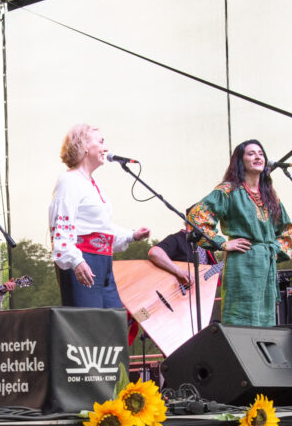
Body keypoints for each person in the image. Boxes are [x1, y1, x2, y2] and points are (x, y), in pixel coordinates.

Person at [187, 139, 292, 326]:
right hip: (242, 262)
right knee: (241, 317)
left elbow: (286, 229)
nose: (258, 157)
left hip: (266, 264)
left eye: (261, 153)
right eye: (251, 153)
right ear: (240, 161)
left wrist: (275, 250)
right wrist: (222, 243)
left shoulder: (269, 196)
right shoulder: (228, 190)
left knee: (266, 321)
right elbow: (197, 217)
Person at [49, 124, 150, 308]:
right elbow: (60, 228)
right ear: (84, 145)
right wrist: (76, 261)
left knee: (114, 319)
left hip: (104, 262)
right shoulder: (69, 181)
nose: (106, 148)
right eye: (101, 142)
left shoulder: (93, 185)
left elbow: (101, 228)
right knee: (89, 322)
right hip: (84, 260)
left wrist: (132, 235)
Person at [148, 221, 219, 287]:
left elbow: (214, 276)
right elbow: (155, 252)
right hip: (176, 289)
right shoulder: (177, 239)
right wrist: (179, 271)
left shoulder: (206, 246)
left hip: (202, 292)